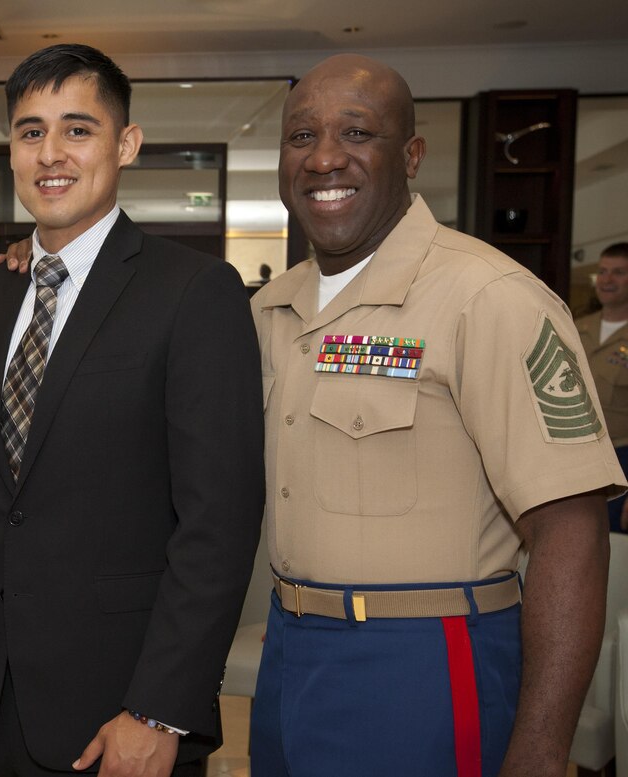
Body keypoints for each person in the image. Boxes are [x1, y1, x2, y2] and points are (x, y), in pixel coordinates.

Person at [0, 43, 264, 777]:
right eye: (30, 132)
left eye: (77, 129)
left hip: (120, 713)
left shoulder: (193, 292)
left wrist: (160, 708)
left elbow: (218, 522)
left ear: (125, 145)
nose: (50, 153)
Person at [249, 53, 625, 777]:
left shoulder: (489, 296)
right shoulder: (271, 307)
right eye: (301, 137)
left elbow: (571, 530)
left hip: (426, 660)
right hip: (290, 654)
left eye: (357, 133)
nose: (325, 158)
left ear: (411, 154)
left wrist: (541, 750)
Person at [576, 242, 628, 532]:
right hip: (577, 455)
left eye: (619, 272)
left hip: (621, 459)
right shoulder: (575, 325)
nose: (607, 280)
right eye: (603, 271)